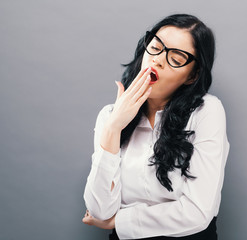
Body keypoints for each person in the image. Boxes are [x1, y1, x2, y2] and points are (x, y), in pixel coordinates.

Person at [82, 14, 229, 240]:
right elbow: (99, 211)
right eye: (156, 47)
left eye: (176, 58)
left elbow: (197, 212)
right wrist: (113, 129)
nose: (158, 60)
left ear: (192, 76)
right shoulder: (110, 116)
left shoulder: (206, 111)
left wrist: (119, 221)